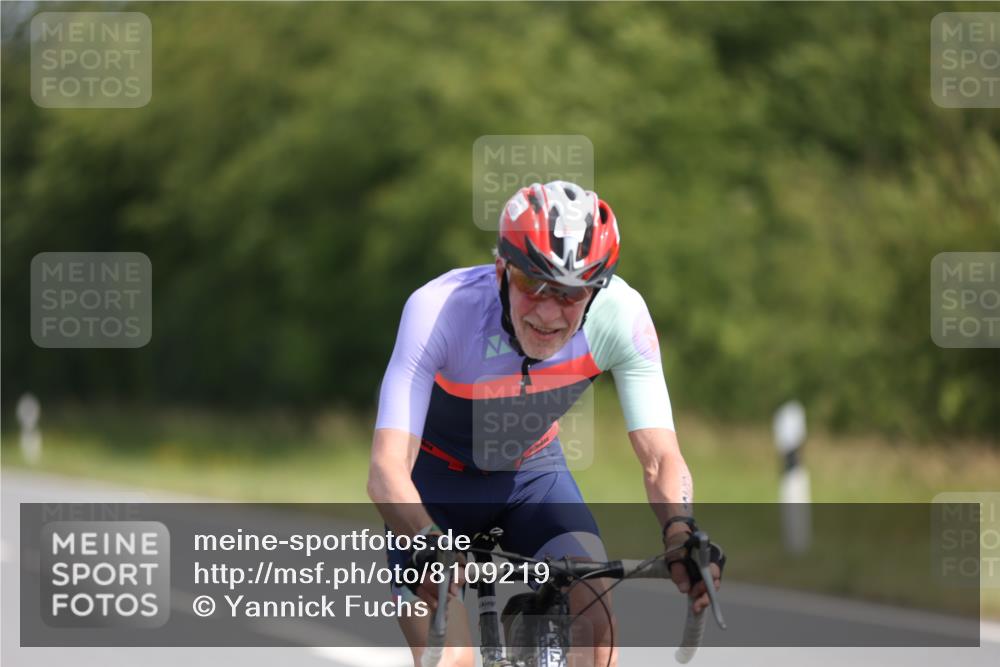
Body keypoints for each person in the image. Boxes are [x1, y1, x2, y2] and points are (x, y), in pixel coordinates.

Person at [368, 180, 723, 667]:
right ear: (501, 270)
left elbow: (661, 456)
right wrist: (425, 538)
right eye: (532, 285)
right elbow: (386, 470)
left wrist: (681, 532)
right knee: (449, 658)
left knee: (597, 627)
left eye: (571, 294)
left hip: (531, 476)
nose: (549, 312)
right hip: (432, 490)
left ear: (596, 292)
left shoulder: (621, 316)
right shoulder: (440, 310)